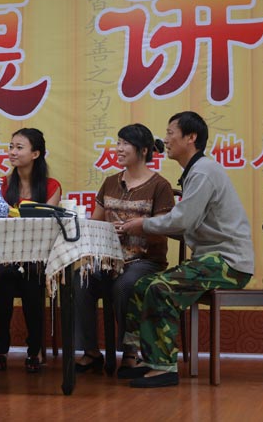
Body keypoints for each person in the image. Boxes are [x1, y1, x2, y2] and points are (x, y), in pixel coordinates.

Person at [118, 111, 254, 388]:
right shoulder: (196, 171)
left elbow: (183, 221)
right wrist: (146, 226)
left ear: (191, 137)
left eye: (170, 133)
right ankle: (138, 357)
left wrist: (144, 225)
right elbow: (185, 225)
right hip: (210, 261)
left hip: (227, 263)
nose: (165, 140)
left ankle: (163, 367)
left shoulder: (203, 171)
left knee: (160, 289)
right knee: (142, 285)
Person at [73, 123, 174, 375]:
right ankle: (91, 351)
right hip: (109, 259)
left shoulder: (160, 186)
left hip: (145, 260)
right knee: (80, 279)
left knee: (125, 285)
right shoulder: (110, 182)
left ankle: (130, 352)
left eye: (125, 144)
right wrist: (104, 231)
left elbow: (164, 229)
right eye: (118, 143)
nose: (118, 149)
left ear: (143, 150)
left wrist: (133, 229)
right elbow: (96, 222)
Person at [0, 127, 61, 373]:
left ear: (35, 154)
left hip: (36, 257)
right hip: (7, 255)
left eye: (19, 147)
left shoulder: (51, 186)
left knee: (32, 283)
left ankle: (34, 350)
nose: (12, 152)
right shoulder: (3, 185)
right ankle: (0, 349)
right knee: (4, 279)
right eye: (11, 147)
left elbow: (47, 227)